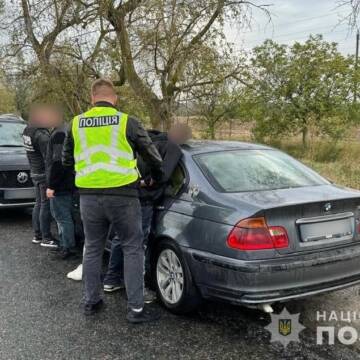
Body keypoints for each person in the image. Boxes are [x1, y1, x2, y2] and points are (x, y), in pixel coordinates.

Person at [62, 78, 163, 323]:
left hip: (88, 197)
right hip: (123, 196)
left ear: (92, 97)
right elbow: (153, 157)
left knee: (93, 247)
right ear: (114, 98)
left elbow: (65, 161)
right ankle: (136, 310)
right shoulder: (127, 121)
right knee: (132, 247)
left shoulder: (76, 124)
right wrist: (153, 179)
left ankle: (91, 301)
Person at [103, 124, 192, 303]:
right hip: (143, 200)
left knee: (121, 239)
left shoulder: (148, 140)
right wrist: (147, 182)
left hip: (123, 193)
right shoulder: (173, 148)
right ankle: (137, 290)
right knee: (137, 246)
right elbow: (163, 175)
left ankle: (112, 280)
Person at [45, 107, 77, 259]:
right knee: (63, 215)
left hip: (61, 185)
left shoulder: (59, 134)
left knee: (62, 216)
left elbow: (59, 162)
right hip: (67, 182)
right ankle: (64, 244)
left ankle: (67, 247)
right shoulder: (63, 131)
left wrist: (52, 186)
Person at [23, 105, 56, 248]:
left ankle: (37, 235)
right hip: (43, 174)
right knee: (45, 205)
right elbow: (48, 158)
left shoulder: (27, 130)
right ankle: (46, 238)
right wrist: (51, 180)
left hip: (34, 172)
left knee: (37, 204)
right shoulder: (42, 135)